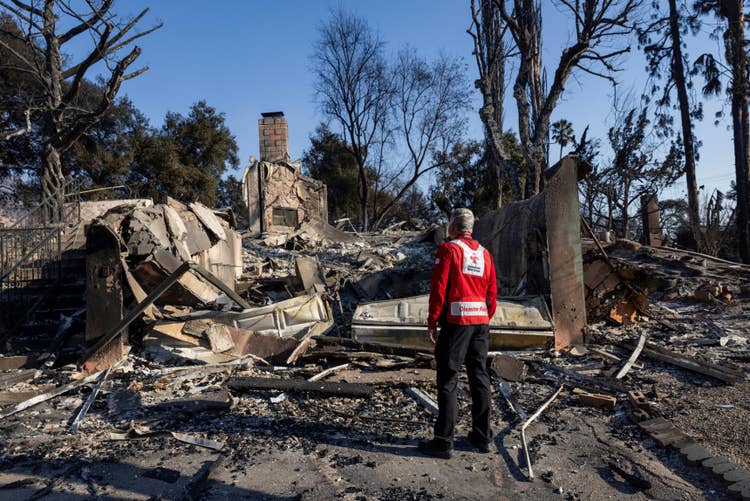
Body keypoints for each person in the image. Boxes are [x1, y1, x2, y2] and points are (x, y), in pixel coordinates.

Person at [418, 208, 497, 459]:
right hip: (480, 322)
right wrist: (484, 318)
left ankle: (443, 442)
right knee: (479, 377)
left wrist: (432, 321)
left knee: (448, 380)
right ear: (470, 228)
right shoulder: (485, 254)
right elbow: (492, 294)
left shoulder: (449, 250)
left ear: (453, 226)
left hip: (456, 322)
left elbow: (438, 289)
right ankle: (482, 437)